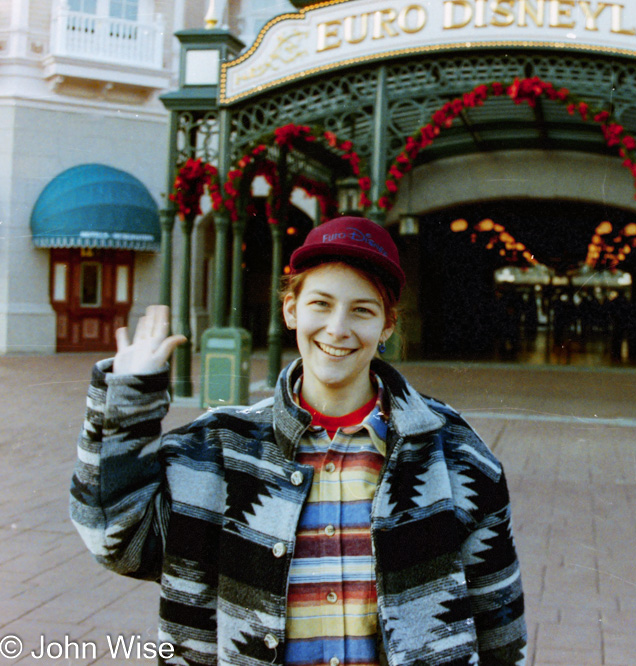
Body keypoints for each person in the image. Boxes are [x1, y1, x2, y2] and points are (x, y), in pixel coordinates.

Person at [70, 216, 528, 666]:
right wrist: (127, 403)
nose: (338, 328)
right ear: (291, 309)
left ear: (387, 325)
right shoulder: (219, 450)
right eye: (321, 304)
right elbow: (115, 539)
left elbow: (501, 627)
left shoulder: (455, 455)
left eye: (362, 310)